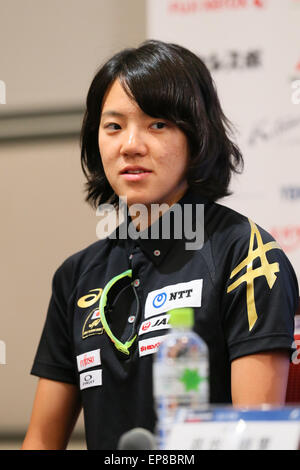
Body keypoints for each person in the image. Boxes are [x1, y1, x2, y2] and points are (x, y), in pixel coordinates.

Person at [22, 40, 299, 450]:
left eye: (157, 125)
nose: (130, 145)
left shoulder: (248, 255)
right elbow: (41, 440)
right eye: (113, 126)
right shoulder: (76, 275)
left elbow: (255, 438)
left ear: (197, 135)